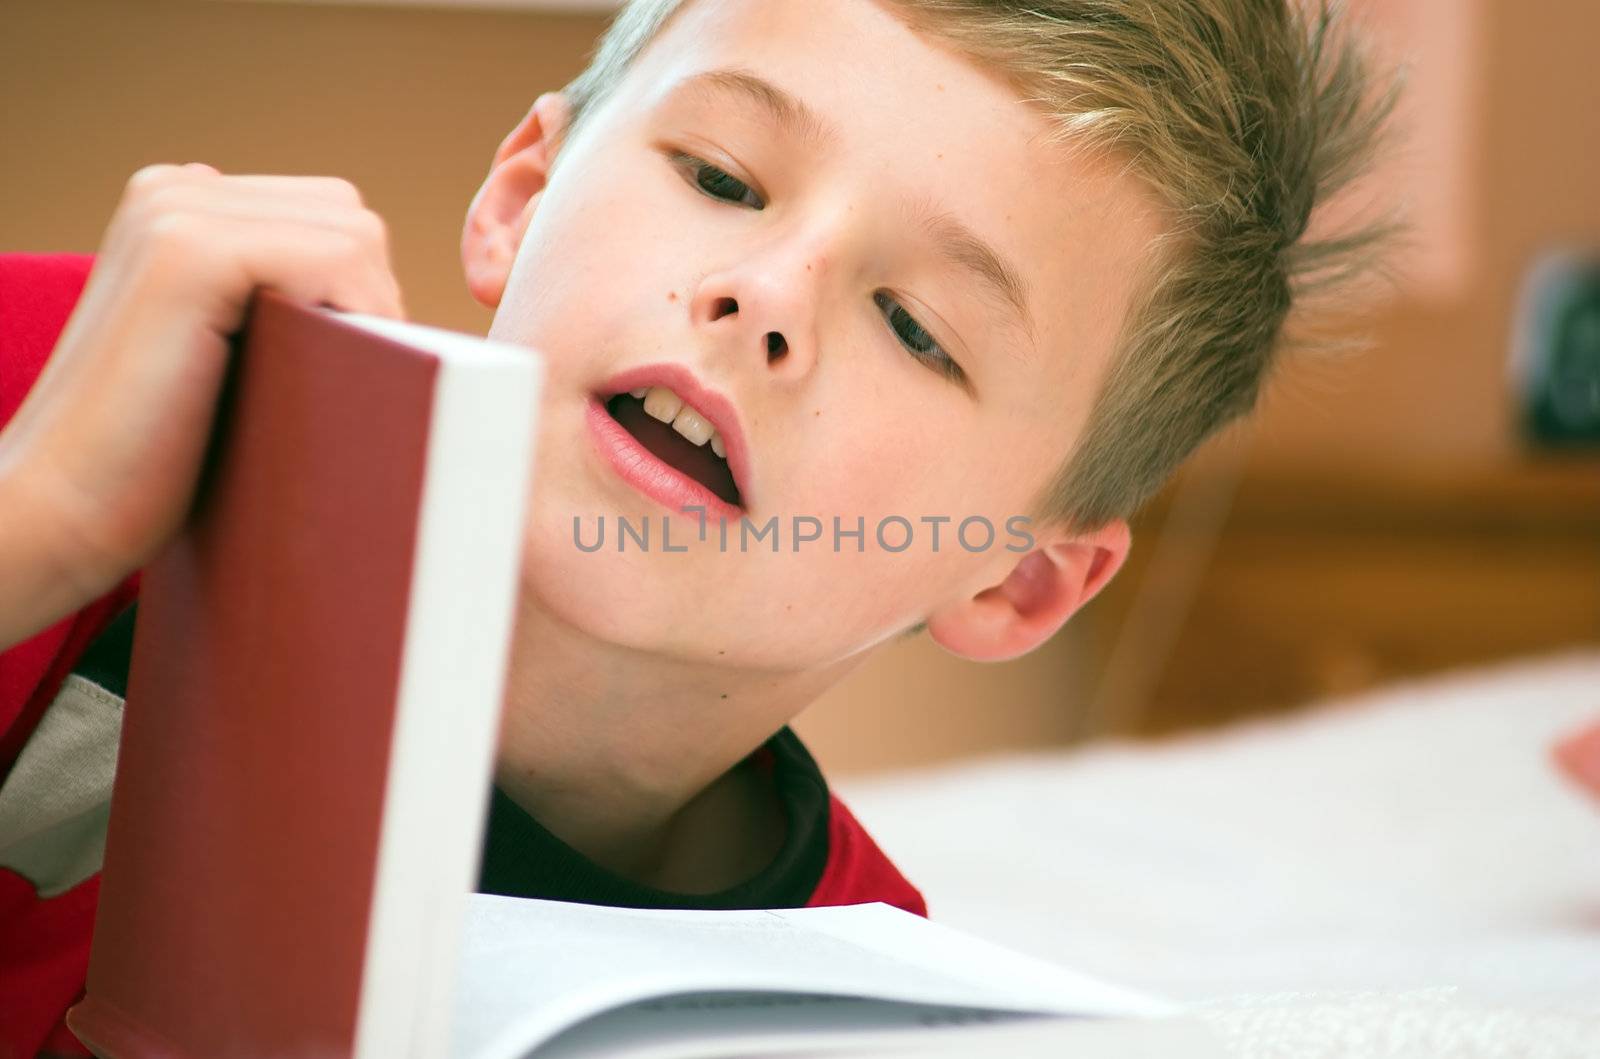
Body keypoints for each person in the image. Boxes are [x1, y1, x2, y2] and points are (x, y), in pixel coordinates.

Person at [0, 0, 1396, 1053]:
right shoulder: (79, 376)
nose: (765, 293)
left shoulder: (834, 1002)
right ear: (521, 197)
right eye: (722, 178)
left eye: (917, 328)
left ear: (1021, 581)